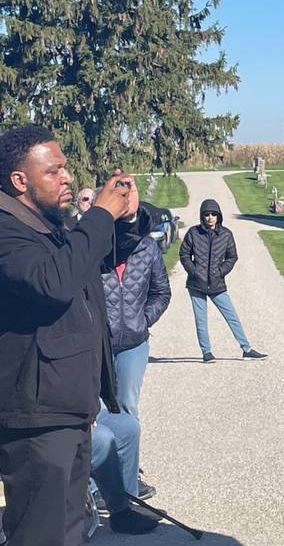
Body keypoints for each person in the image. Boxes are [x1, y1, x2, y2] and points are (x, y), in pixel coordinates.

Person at [0, 124, 149, 545]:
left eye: (66, 168)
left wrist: (128, 216)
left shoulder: (49, 225)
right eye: (54, 171)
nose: (67, 177)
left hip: (68, 408)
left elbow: (95, 258)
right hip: (34, 418)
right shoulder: (8, 231)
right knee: (39, 535)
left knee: (70, 531)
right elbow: (53, 281)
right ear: (19, 181)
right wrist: (99, 214)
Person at [102, 213, 171, 499]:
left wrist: (143, 320)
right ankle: (98, 480)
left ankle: (129, 477)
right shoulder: (95, 251)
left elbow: (161, 292)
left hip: (133, 341)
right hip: (98, 343)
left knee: (128, 407)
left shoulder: (148, 249)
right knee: (98, 409)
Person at [180, 198, 267, 362]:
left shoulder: (226, 235)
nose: (210, 217)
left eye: (213, 214)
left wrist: (221, 271)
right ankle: (207, 352)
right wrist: (194, 271)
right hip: (196, 284)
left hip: (217, 283)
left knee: (232, 316)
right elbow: (184, 254)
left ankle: (246, 349)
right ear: (202, 216)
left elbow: (232, 257)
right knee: (201, 319)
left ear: (218, 216)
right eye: (206, 214)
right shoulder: (193, 233)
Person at [91, 407, 159, 535]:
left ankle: (127, 503)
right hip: (53, 416)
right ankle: (119, 513)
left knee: (128, 427)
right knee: (101, 439)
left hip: (83, 406)